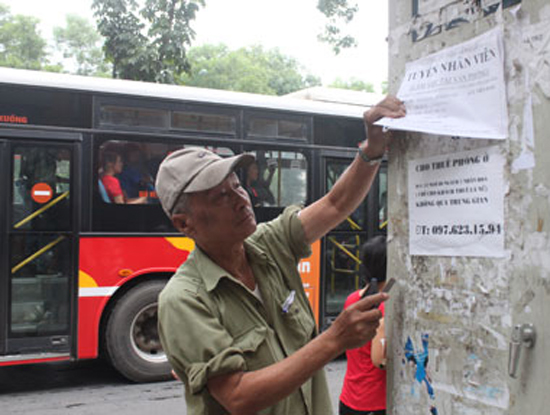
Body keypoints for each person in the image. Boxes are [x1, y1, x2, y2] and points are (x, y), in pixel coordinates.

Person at [155, 96, 405, 415]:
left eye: (237, 185)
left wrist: (371, 150)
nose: (241, 200)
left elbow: (335, 205)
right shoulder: (184, 300)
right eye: (220, 195)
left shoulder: (269, 244)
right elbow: (237, 396)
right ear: (183, 223)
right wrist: (334, 340)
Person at [339, 235, 388, 415]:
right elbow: (379, 361)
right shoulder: (383, 308)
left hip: (349, 398)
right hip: (376, 403)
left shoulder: (352, 300)